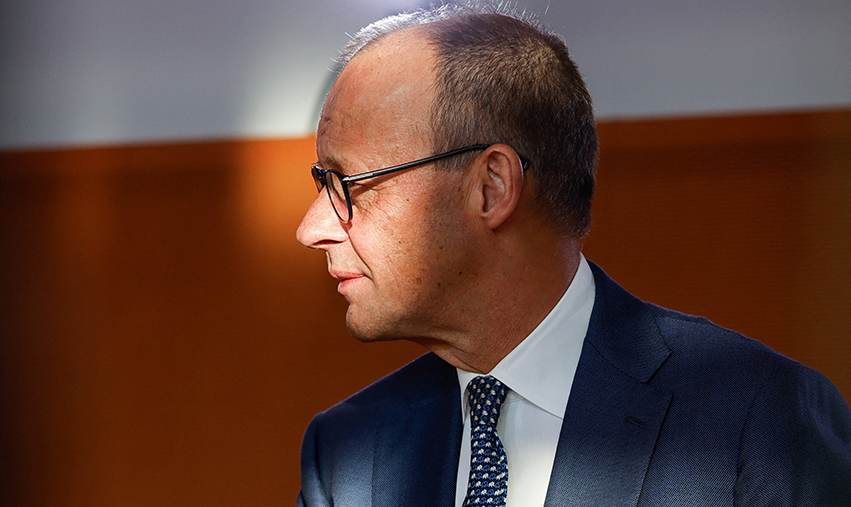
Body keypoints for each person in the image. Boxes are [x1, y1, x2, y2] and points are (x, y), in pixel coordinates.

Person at [294, 4, 851, 506]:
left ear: (491, 187)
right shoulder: (346, 452)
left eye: (346, 184)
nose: (310, 228)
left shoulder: (758, 418)